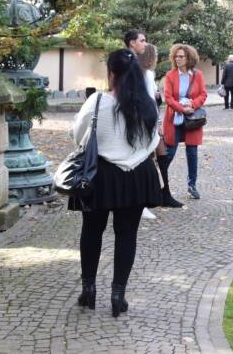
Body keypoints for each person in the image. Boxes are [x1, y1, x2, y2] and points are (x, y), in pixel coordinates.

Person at [70, 49, 161, 317]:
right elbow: (153, 141)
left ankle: (89, 290)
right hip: (137, 175)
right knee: (127, 235)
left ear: (111, 73)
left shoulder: (98, 101)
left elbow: (78, 136)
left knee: (91, 232)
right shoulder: (147, 103)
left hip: (101, 175)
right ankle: (118, 294)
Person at [161, 43, 207, 200]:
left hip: (192, 119)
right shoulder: (170, 75)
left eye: (181, 56)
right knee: (169, 152)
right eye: (176, 56)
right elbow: (167, 97)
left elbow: (203, 94)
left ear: (189, 58)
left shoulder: (198, 75)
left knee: (192, 152)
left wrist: (192, 105)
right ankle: (159, 183)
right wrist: (181, 108)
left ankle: (192, 185)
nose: (178, 59)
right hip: (175, 117)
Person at [139, 44, 161, 220]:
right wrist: (157, 122)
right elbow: (150, 100)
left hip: (138, 122)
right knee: (145, 161)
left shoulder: (138, 73)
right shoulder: (147, 74)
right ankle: (142, 203)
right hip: (146, 122)